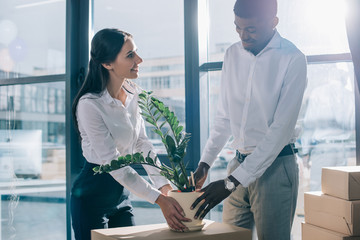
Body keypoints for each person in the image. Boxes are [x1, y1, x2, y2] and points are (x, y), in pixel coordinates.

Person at [191, 0, 307, 239]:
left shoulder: (293, 59)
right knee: (229, 236)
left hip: (276, 167)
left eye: (251, 29)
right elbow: (224, 117)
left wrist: (230, 183)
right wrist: (206, 162)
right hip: (238, 164)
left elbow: (279, 132)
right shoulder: (232, 54)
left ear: (273, 22)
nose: (243, 35)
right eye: (238, 27)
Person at [71, 28, 190, 240]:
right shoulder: (89, 105)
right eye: (130, 55)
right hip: (91, 197)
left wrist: (164, 187)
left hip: (122, 196)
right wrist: (159, 201)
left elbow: (142, 143)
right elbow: (114, 163)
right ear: (107, 64)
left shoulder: (135, 93)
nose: (139, 59)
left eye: (136, 52)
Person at [300, 65, 355, 191]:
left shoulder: (318, 93)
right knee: (340, 192)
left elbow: (309, 125)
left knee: (319, 191)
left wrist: (305, 152)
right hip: (343, 149)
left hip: (323, 149)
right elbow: (352, 124)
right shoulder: (349, 95)